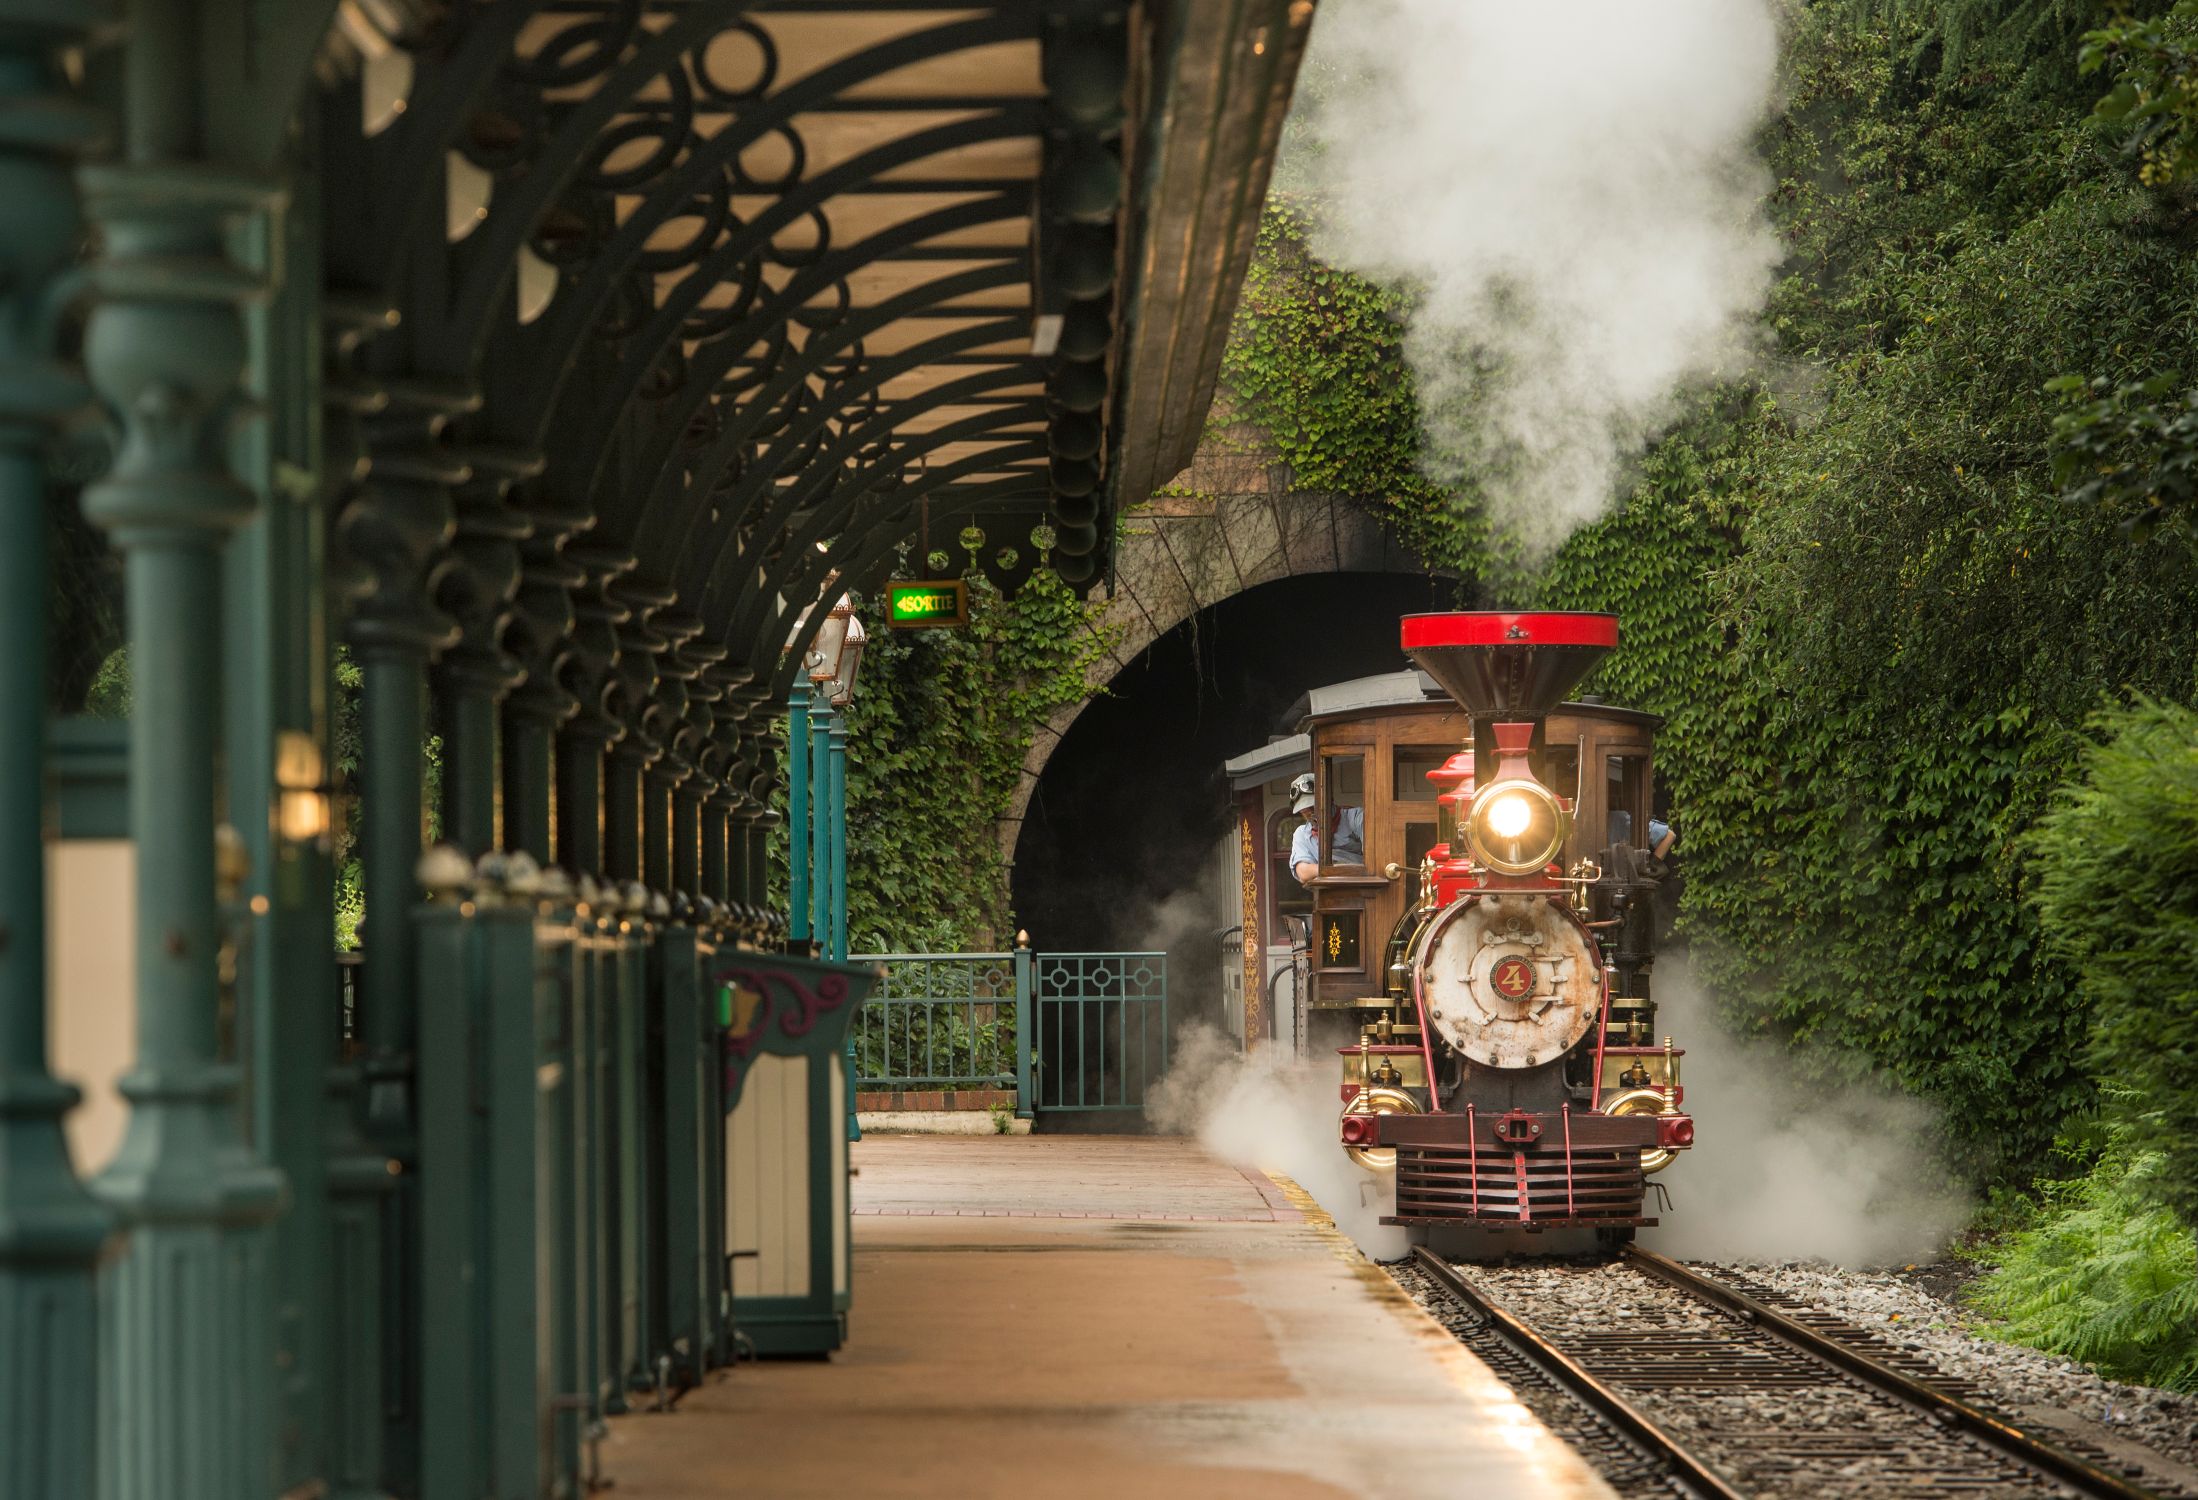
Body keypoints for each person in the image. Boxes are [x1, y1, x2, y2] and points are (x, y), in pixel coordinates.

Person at [1288, 771, 1363, 885]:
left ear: (1328, 799)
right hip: (1328, 895)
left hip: (1362, 887)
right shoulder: (1301, 834)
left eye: (1312, 807)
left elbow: (1376, 860)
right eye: (1304, 811)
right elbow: (1303, 872)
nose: (1309, 814)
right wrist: (1338, 870)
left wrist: (1320, 870)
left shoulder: (1356, 817)